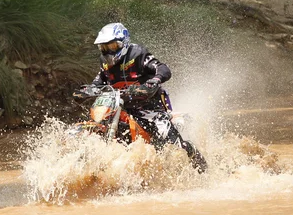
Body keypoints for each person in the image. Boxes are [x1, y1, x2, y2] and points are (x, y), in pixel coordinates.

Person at [86, 22, 208, 173]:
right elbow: (99, 81)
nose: (108, 51)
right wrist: (88, 90)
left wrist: (154, 80)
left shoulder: (138, 53)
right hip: (121, 107)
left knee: (172, 144)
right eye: (104, 48)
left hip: (150, 107)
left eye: (111, 46)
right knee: (100, 121)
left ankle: (201, 167)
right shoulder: (104, 62)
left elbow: (163, 68)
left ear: (122, 43)